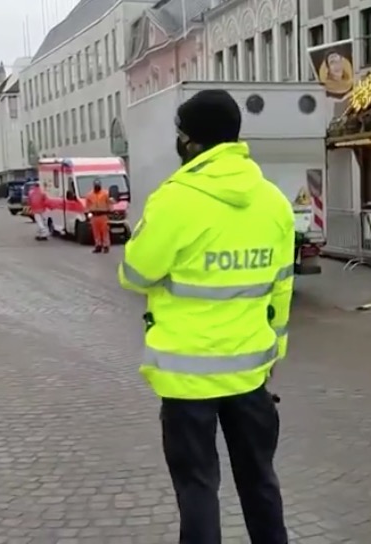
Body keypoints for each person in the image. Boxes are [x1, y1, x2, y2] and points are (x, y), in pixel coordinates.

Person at [118, 89, 294, 544]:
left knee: (197, 488)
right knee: (260, 481)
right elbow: (282, 287)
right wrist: (275, 349)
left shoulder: (174, 200)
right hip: (251, 373)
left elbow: (135, 274)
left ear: (190, 141)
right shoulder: (273, 201)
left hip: (186, 377)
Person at [85, 179, 113, 253]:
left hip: (103, 215)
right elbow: (87, 205)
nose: (97, 187)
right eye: (96, 186)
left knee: (105, 231)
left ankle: (106, 246)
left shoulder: (105, 193)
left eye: (98, 186)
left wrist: (111, 211)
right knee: (96, 231)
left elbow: (109, 203)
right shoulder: (89, 195)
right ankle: (98, 245)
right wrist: (87, 213)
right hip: (94, 215)